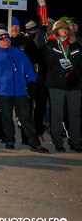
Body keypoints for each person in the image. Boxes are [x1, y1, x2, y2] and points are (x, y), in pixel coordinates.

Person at [0, 29, 49, 153]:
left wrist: (32, 81)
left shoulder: (19, 52)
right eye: (3, 40)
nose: (6, 42)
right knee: (7, 118)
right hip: (3, 92)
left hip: (20, 91)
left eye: (8, 39)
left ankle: (34, 143)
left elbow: (28, 67)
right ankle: (9, 140)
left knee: (26, 118)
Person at [40, 20, 82, 152]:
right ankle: (58, 141)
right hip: (56, 84)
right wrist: (64, 72)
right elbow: (51, 62)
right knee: (57, 113)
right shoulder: (50, 44)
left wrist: (73, 75)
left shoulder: (74, 45)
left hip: (74, 84)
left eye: (66, 28)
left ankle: (75, 141)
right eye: (61, 28)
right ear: (56, 30)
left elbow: (79, 63)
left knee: (74, 114)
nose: (64, 30)